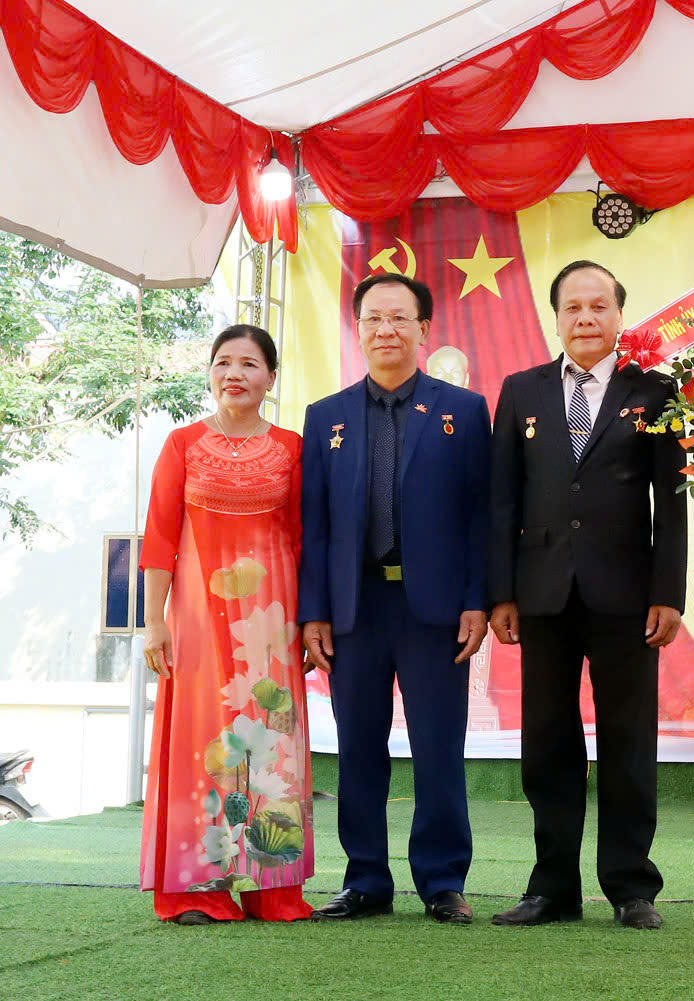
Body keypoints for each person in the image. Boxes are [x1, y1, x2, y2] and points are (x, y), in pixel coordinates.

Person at [488, 261, 687, 931]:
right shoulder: (521, 391)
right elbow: (501, 500)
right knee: (547, 740)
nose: (586, 318)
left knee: (629, 740)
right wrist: (501, 593)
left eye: (599, 305)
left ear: (620, 316)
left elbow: (674, 502)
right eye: (573, 307)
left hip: (628, 595)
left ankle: (632, 887)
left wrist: (669, 592)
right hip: (541, 592)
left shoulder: (656, 393)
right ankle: (552, 887)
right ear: (557, 317)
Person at [299, 273, 491, 924]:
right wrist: (315, 611)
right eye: (373, 318)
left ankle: (442, 880)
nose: (385, 329)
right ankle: (365, 878)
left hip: (434, 608)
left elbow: (478, 516)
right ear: (358, 329)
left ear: (423, 329)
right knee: (357, 745)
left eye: (399, 318)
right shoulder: (325, 417)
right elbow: (315, 526)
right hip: (355, 612)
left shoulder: (463, 411)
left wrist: (477, 598)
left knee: (439, 744)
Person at [140, 325, 313, 924]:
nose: (233, 373)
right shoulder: (181, 443)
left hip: (271, 616)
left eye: (248, 363)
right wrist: (153, 623)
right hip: (194, 611)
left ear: (271, 376)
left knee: (270, 737)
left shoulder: (293, 446)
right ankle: (195, 887)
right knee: (201, 736)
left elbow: (301, 537)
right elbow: (159, 539)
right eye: (222, 362)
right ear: (210, 373)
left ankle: (274, 885)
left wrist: (310, 620)